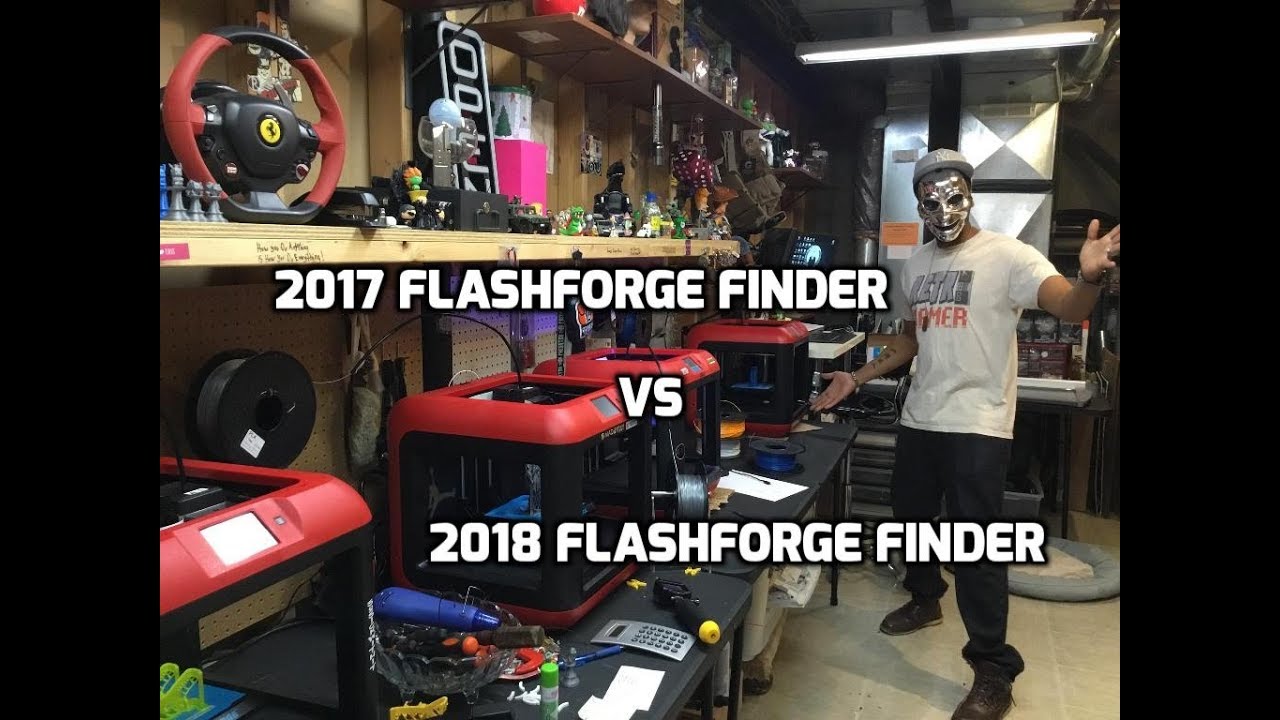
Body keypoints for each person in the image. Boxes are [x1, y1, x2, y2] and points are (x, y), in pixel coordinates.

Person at [811, 149, 1119, 720]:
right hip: (921, 417)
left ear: (969, 195)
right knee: (911, 521)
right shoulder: (916, 266)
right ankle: (925, 598)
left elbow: (1066, 304)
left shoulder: (1009, 255)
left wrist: (1088, 277)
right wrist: (856, 376)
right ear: (919, 207)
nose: (943, 210)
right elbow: (910, 341)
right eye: (929, 202)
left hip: (979, 422)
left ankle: (993, 668)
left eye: (953, 196)